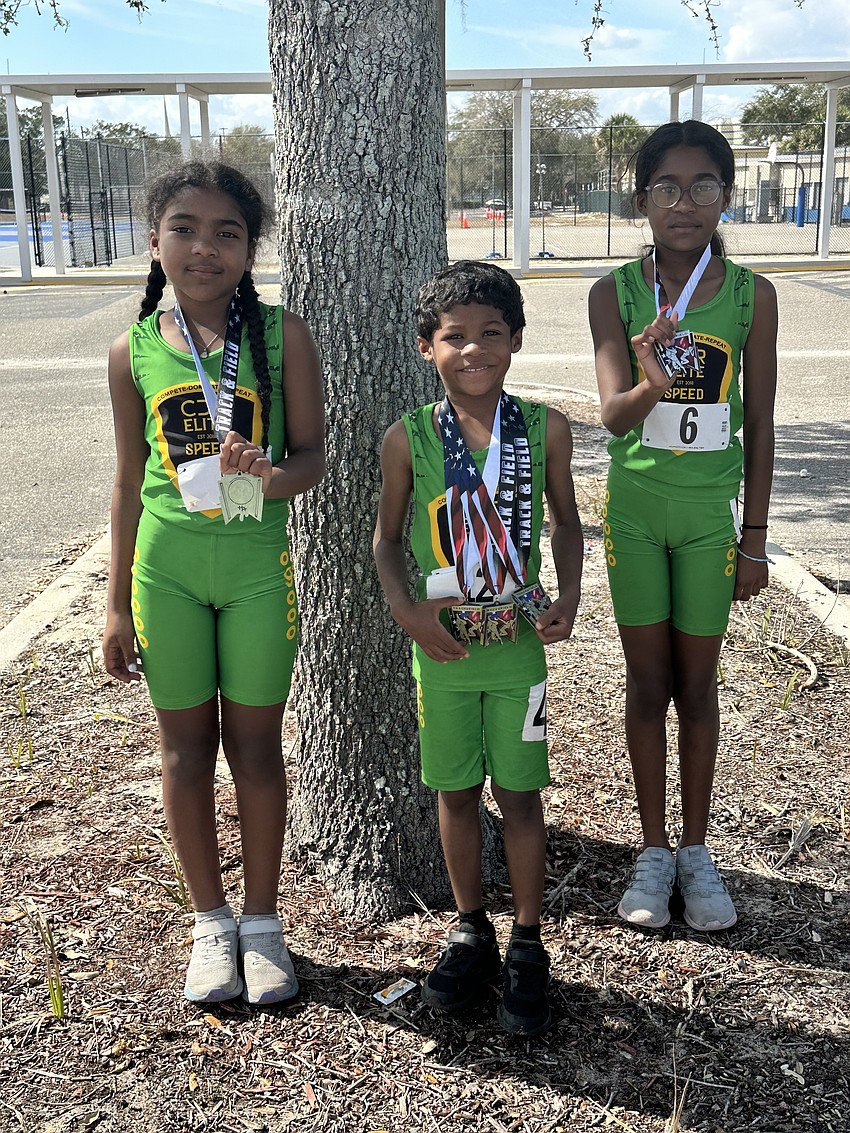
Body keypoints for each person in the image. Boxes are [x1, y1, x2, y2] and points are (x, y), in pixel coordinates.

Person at [102, 161, 325, 1004]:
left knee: (257, 748)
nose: (205, 247)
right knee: (185, 751)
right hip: (168, 571)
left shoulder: (279, 337)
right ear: (155, 242)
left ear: (249, 247)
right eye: (185, 229)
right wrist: (116, 601)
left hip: (256, 568)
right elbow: (129, 481)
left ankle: (263, 923)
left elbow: (312, 458)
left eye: (227, 231)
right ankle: (210, 921)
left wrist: (265, 480)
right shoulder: (133, 349)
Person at [373, 261, 583, 1035]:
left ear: (516, 339)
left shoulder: (546, 427)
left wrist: (568, 593)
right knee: (456, 791)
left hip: (518, 649)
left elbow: (565, 521)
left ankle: (528, 940)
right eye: (454, 336)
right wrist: (405, 611)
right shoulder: (408, 437)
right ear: (428, 346)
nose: (473, 349)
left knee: (520, 795)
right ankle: (471, 928)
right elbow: (387, 540)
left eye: (490, 333)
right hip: (445, 653)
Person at [588, 121, 777, 932]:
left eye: (705, 186)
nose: (686, 202)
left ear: (726, 197)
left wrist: (757, 538)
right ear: (642, 201)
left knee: (696, 689)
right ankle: (654, 847)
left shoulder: (750, 295)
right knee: (646, 684)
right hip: (636, 515)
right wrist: (652, 375)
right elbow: (614, 419)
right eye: (667, 187)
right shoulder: (616, 293)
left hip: (709, 522)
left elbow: (760, 425)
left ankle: (697, 852)